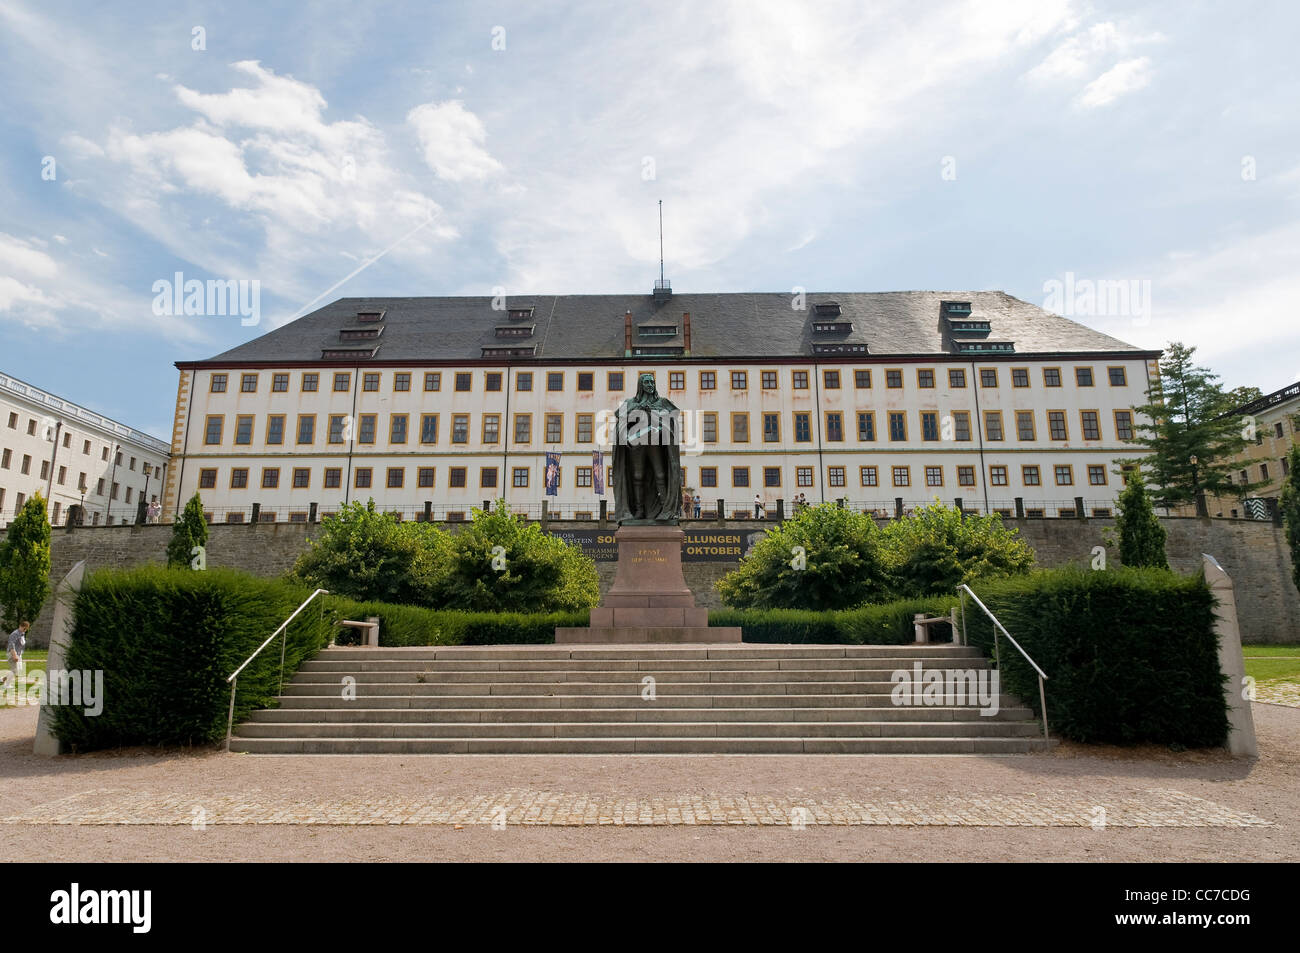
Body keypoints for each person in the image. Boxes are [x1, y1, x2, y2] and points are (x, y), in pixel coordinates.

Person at [5, 621, 29, 688]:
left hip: (19, 654)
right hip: (12, 653)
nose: (25, 630)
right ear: (20, 626)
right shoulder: (15, 634)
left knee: (19, 669)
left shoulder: (22, 633)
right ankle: (7, 685)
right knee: (15, 670)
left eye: (26, 629)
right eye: (24, 629)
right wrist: (14, 655)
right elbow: (11, 645)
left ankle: (2, 679)